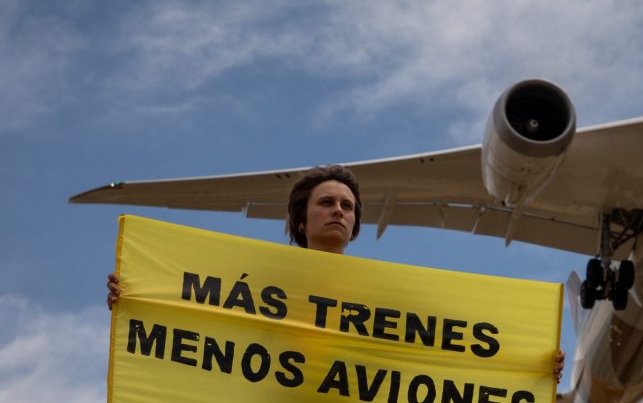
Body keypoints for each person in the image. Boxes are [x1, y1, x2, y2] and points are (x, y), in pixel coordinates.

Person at [107, 164, 565, 383]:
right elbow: (199, 325)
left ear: (355, 224)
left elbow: (444, 348)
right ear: (301, 222)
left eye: (347, 206)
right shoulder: (262, 284)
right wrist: (139, 297)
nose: (338, 211)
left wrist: (526, 363)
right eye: (326, 203)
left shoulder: (384, 297)